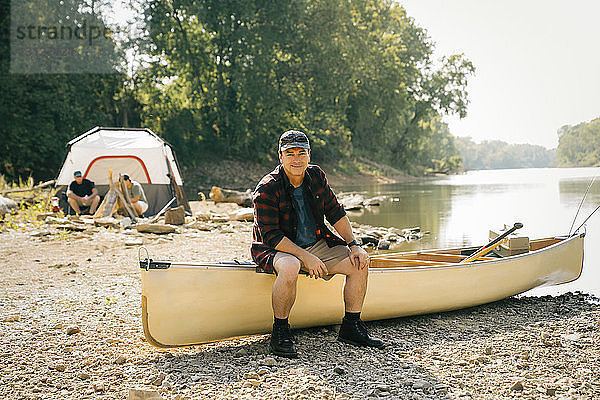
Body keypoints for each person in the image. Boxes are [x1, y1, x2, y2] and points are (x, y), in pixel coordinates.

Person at [252, 130, 384, 358]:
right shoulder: (267, 187)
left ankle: (351, 326)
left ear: (309, 155)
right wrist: (306, 257)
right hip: (275, 247)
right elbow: (270, 235)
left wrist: (354, 244)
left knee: (359, 263)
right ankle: (280, 332)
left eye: (301, 153)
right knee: (291, 266)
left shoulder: (316, 176)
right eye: (290, 154)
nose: (296, 159)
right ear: (280, 157)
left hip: (316, 242)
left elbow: (335, 212)